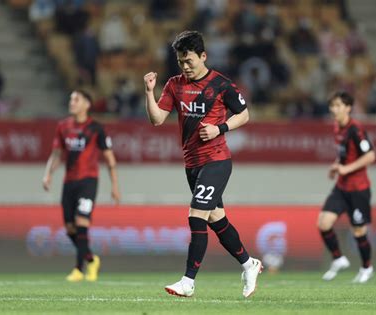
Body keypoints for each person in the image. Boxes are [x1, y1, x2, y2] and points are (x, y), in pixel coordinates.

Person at [143, 30, 262, 298]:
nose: (185, 67)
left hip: (217, 161)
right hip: (192, 165)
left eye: (189, 61)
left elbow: (244, 115)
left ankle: (188, 281)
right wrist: (149, 93)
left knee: (196, 215)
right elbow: (157, 119)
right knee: (217, 220)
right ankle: (249, 264)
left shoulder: (220, 84)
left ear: (203, 56)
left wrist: (220, 128)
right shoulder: (174, 84)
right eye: (181, 62)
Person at [42, 89, 120, 282]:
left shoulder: (96, 128)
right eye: (71, 99)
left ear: (87, 104)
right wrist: (48, 174)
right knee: (70, 229)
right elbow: (57, 154)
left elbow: (109, 158)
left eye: (76, 99)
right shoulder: (63, 126)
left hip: (88, 181)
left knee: (81, 223)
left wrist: (115, 186)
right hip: (69, 182)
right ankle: (91, 259)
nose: (72, 102)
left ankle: (78, 269)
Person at [318, 91, 376, 283]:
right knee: (323, 223)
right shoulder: (337, 128)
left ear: (348, 108)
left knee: (358, 231)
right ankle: (338, 259)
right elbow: (344, 155)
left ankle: (366, 268)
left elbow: (370, 156)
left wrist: (346, 168)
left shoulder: (355, 129)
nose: (334, 109)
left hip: (358, 188)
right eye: (332, 106)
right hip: (341, 187)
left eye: (338, 106)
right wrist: (336, 167)